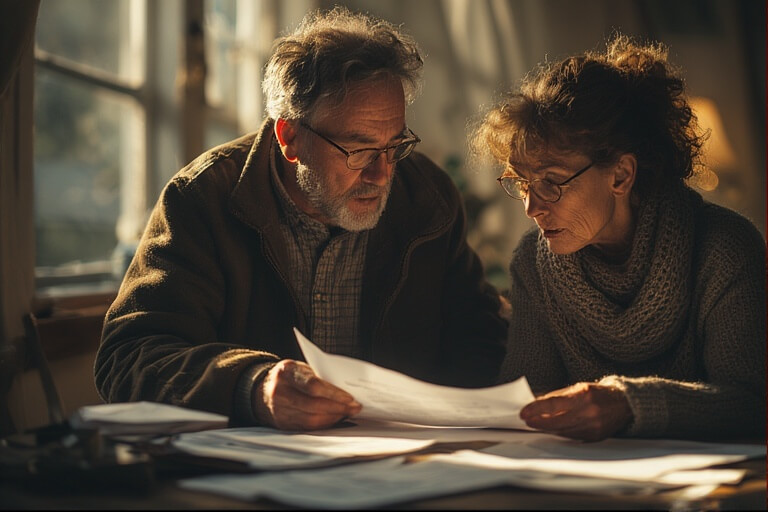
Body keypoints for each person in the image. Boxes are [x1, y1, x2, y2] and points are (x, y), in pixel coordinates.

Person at [95, 6, 507, 431]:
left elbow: (480, 338)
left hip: (407, 463)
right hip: (256, 472)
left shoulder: (427, 196)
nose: (382, 173)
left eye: (395, 145)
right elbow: (127, 358)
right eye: (358, 149)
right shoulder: (202, 199)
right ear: (290, 137)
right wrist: (252, 387)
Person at [471, 34, 766, 442]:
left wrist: (628, 404)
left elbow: (754, 404)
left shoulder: (725, 249)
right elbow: (529, 401)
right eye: (523, 183)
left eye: (552, 182)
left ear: (621, 175)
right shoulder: (533, 263)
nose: (531, 207)